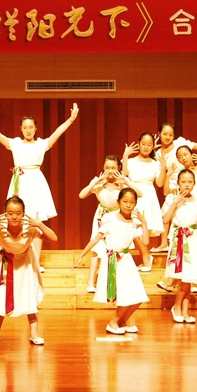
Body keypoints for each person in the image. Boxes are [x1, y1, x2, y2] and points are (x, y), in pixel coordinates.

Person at [0, 103, 79, 268]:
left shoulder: (41, 144)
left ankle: (35, 262)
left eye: (31, 127)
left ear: (35, 128)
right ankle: (13, 255)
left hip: (36, 182)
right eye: (25, 127)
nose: (28, 130)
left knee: (35, 221)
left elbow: (57, 133)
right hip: (20, 182)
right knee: (15, 218)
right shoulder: (15, 143)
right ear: (21, 129)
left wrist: (71, 120)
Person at [0, 196, 57, 346]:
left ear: (23, 213)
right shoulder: (0, 227)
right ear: (5, 213)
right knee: (2, 297)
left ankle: (34, 334)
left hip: (26, 265)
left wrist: (39, 224)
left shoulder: (30, 229)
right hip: (5, 265)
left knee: (29, 296)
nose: (14, 216)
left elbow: (53, 238)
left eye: (18, 213)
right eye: (10, 213)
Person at [73, 188, 150, 335]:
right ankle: (113, 323)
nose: (128, 205)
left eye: (132, 202)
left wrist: (144, 223)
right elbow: (96, 238)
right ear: (119, 202)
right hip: (114, 261)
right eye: (125, 201)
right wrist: (82, 254)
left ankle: (121, 322)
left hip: (126, 260)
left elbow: (145, 241)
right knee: (125, 295)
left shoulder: (135, 223)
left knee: (138, 295)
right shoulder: (110, 219)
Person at [79, 155, 137, 289]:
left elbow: (139, 194)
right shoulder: (98, 183)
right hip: (102, 217)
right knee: (97, 248)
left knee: (117, 248)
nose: (110, 171)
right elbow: (81, 195)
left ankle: (117, 282)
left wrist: (126, 182)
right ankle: (90, 282)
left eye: (113, 168)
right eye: (107, 168)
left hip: (118, 218)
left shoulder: (123, 182)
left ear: (119, 168)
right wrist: (95, 182)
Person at [162, 169, 197, 324]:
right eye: (183, 182)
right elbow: (165, 220)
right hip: (178, 239)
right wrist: (175, 203)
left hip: (191, 239)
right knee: (183, 277)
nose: (186, 185)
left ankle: (184, 311)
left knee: (189, 277)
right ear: (178, 183)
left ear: (194, 183)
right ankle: (176, 307)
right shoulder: (172, 198)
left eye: (190, 182)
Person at [151, 122, 197, 252]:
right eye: (165, 134)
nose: (167, 137)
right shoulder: (158, 154)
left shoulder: (180, 143)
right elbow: (160, 182)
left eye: (170, 134)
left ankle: (195, 239)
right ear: (159, 134)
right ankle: (164, 243)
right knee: (166, 211)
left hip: (188, 180)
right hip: (173, 183)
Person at [123, 133, 168, 270]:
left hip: (148, 196)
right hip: (133, 193)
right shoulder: (131, 161)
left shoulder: (154, 164)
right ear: (138, 143)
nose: (146, 147)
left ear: (153, 146)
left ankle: (146, 258)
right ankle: (146, 256)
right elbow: (124, 174)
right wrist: (125, 155)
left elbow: (159, 183)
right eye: (143, 144)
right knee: (133, 227)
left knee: (142, 228)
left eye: (149, 145)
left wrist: (163, 166)